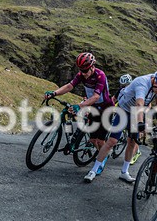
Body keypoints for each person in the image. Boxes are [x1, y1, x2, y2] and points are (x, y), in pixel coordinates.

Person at [44, 52, 114, 182]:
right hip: (93, 108)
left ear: (92, 66)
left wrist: (80, 106)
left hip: (106, 109)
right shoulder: (81, 74)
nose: (83, 73)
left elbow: (96, 97)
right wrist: (54, 93)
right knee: (92, 140)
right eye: (81, 70)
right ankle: (98, 151)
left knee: (100, 141)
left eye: (85, 70)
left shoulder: (100, 75)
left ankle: (103, 158)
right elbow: (69, 86)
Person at [95, 70, 157, 183]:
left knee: (132, 142)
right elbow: (139, 104)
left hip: (138, 111)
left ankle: (124, 172)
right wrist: (140, 123)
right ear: (155, 82)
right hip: (125, 109)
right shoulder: (142, 83)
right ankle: (94, 169)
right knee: (112, 141)